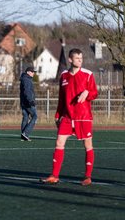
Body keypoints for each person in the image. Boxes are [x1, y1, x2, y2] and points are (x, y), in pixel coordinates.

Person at [41, 48, 98, 186]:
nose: (80, 60)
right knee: (59, 143)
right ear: (70, 59)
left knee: (88, 145)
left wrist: (87, 93)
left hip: (83, 117)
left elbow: (95, 93)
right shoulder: (64, 76)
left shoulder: (88, 74)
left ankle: (88, 177)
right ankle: (54, 176)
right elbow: (61, 98)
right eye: (77, 58)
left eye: (81, 58)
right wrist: (57, 114)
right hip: (66, 117)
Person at [20, 66, 38, 141]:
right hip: (28, 102)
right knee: (35, 116)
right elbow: (27, 91)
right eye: (32, 72)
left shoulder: (24, 79)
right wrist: (30, 100)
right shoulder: (27, 79)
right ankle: (25, 133)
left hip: (23, 102)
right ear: (28, 72)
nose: (33, 73)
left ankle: (23, 135)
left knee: (26, 117)